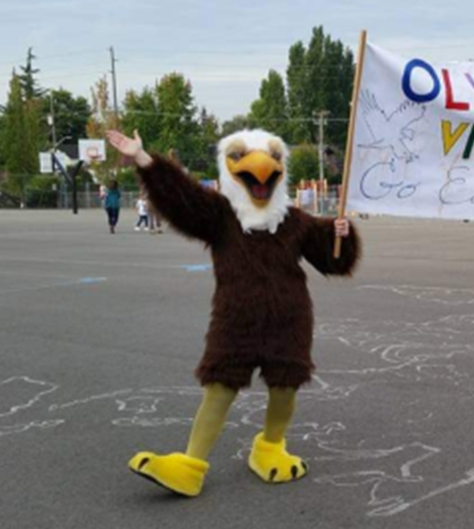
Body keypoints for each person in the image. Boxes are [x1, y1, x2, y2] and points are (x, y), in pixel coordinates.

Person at [106, 129, 360, 497]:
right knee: (220, 386)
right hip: (234, 318)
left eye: (273, 157)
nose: (261, 169)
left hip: (290, 319)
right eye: (240, 156)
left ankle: (270, 447)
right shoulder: (220, 215)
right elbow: (182, 199)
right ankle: (191, 465)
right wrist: (145, 160)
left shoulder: (295, 221)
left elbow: (334, 261)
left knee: (286, 386)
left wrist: (343, 233)